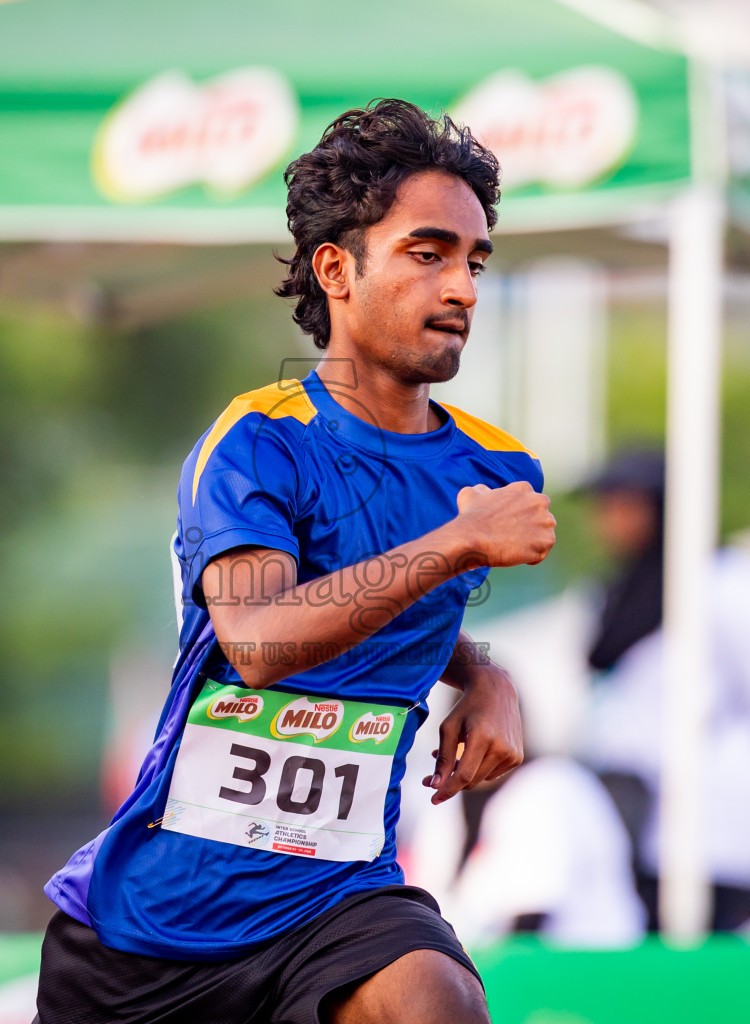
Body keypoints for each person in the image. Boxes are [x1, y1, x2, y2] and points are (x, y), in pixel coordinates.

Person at [38, 100, 555, 1024]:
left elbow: (407, 611)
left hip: (339, 899)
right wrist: (458, 543)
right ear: (336, 270)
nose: (465, 288)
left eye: (475, 262)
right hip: (157, 926)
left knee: (437, 1002)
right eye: (428, 253)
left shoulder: (490, 469)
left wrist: (486, 674)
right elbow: (263, 641)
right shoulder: (259, 442)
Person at [577, 449, 750, 931]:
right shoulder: (615, 592)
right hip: (636, 802)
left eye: (623, 505)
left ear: (661, 507)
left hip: (714, 805)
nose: (608, 521)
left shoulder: (723, 580)